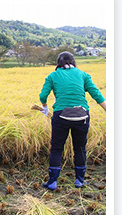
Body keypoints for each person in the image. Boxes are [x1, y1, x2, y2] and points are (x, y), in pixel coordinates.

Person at [38, 51, 106, 190]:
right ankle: (79, 181)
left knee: (57, 148)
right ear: (73, 62)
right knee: (80, 148)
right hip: (82, 115)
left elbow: (43, 95)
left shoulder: (53, 75)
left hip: (61, 116)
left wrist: (44, 107)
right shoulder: (83, 75)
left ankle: (52, 182)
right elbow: (96, 94)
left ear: (58, 63)